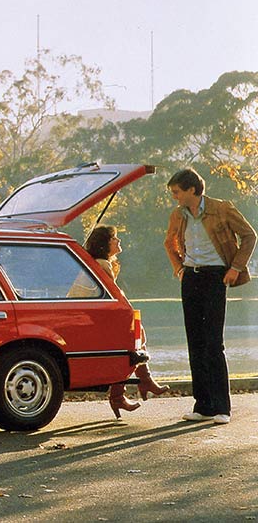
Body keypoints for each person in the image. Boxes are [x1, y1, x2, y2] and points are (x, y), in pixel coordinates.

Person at [164, 168, 256, 425]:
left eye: (177, 192)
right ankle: (202, 405)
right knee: (195, 342)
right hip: (191, 277)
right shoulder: (178, 214)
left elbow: (250, 236)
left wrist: (235, 268)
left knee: (214, 342)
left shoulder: (222, 208)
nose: (174, 197)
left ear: (192, 189)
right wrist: (179, 268)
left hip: (216, 276)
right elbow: (169, 242)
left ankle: (222, 408)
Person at [84, 225, 170, 419]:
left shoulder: (96, 263)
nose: (118, 241)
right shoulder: (102, 265)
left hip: (92, 320)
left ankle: (134, 388)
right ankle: (133, 388)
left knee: (134, 338)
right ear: (104, 244)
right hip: (94, 323)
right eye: (114, 238)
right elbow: (116, 299)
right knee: (130, 342)